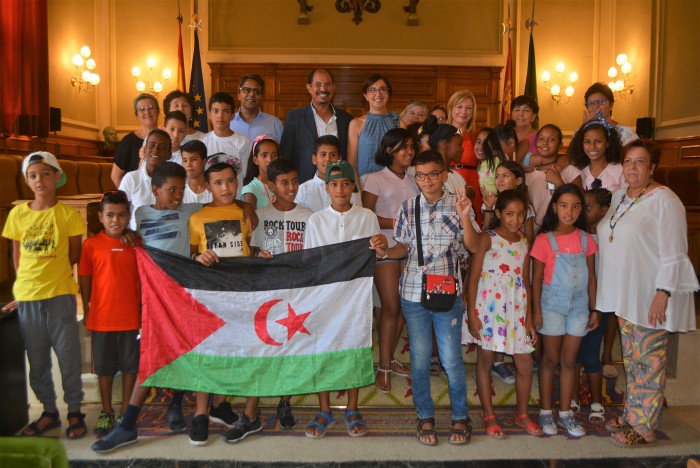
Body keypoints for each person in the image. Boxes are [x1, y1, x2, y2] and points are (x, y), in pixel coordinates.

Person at [91, 163, 209, 453]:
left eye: (181, 189)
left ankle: (174, 404)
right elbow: (124, 235)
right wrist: (130, 236)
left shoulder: (190, 210)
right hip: (153, 297)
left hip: (182, 294)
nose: (178, 195)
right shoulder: (141, 213)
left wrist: (246, 204)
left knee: (184, 352)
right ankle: (129, 423)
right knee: (152, 357)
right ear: (154, 190)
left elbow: (220, 205)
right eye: (171, 190)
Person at [373, 150, 479, 446]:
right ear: (414, 177)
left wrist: (467, 216)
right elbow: (402, 249)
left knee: (451, 359)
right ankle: (425, 415)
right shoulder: (407, 208)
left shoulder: (457, 205)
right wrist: (384, 251)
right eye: (421, 175)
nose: (428, 180)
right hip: (412, 291)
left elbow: (472, 246)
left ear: (444, 175)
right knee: (419, 359)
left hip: (447, 291)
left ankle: (461, 416)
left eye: (434, 174)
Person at [597, 139, 697, 447]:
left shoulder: (665, 200)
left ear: (652, 167)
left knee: (650, 361)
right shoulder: (618, 197)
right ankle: (633, 416)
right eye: (628, 161)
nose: (632, 168)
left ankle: (645, 428)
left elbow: (675, 251)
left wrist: (663, 292)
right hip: (625, 293)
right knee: (634, 359)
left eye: (640, 162)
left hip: (650, 295)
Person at [2, 151, 87, 439]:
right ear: (27, 180)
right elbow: (17, 257)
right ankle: (49, 411)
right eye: (33, 175)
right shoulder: (18, 214)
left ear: (57, 176)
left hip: (59, 295)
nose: (40, 179)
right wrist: (24, 288)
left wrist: (53, 277)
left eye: (45, 173)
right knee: (36, 358)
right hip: (28, 298)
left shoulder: (67, 215)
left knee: (68, 356)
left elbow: (74, 254)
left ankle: (74, 408)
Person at [303, 161, 387, 439]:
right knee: (323, 351)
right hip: (325, 298)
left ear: (353, 187)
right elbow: (310, 262)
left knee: (355, 349)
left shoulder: (367, 217)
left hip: (356, 299)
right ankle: (324, 408)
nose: (340, 190)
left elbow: (377, 254)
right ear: (327, 188)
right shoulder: (316, 220)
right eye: (334, 184)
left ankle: (352, 408)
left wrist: (381, 247)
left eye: (346, 184)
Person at [189, 154, 259, 445]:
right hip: (210, 293)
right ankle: (201, 412)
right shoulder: (197, 217)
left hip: (239, 291)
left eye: (230, 181)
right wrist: (197, 257)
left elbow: (245, 249)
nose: (226, 187)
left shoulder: (244, 214)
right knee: (208, 351)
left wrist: (258, 255)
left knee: (233, 349)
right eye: (218, 182)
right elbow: (191, 255)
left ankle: (221, 403)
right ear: (208, 185)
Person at [466, 190, 542, 438]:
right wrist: (472, 313)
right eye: (509, 213)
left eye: (520, 214)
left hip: (517, 310)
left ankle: (522, 414)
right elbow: (474, 278)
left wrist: (530, 319)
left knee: (525, 363)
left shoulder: (524, 242)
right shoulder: (487, 239)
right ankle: (488, 414)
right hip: (489, 310)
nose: (515, 219)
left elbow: (526, 282)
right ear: (498, 213)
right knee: (485, 361)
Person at [531, 184, 599, 437]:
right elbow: (536, 280)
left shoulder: (586, 239)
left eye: (575, 206)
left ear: (581, 210)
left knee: (570, 361)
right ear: (554, 207)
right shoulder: (543, 240)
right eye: (563, 206)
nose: (569, 212)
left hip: (579, 307)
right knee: (550, 360)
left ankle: (566, 413)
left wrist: (594, 309)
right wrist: (536, 311)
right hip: (551, 307)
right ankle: (546, 411)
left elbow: (592, 276)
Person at [250, 158, 313, 430]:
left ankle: (285, 400)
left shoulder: (309, 215)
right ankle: (254, 404)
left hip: (296, 290)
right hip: (267, 289)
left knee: (290, 344)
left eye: (295, 181)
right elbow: (250, 250)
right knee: (264, 343)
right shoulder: (260, 215)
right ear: (271, 185)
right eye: (285, 183)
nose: (292, 187)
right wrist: (257, 255)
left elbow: (315, 253)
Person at [361, 128, 420, 393]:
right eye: (403, 147)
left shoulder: (414, 180)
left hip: (410, 249)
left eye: (411, 147)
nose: (409, 151)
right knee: (391, 307)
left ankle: (389, 357)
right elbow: (365, 214)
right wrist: (398, 222)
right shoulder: (375, 178)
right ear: (389, 151)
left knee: (405, 310)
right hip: (384, 248)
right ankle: (383, 366)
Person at [79, 190, 141, 437]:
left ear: (129, 217)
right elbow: (85, 278)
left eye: (122, 215)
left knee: (130, 366)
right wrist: (86, 308)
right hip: (102, 319)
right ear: (101, 217)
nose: (116, 220)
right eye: (110, 215)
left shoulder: (136, 243)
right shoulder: (91, 245)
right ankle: (106, 411)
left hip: (130, 318)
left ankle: (127, 409)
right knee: (103, 369)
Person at [571, 187, 613, 422]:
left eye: (587, 207)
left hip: (598, 305)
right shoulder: (578, 236)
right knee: (574, 355)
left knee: (590, 356)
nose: (582, 212)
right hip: (577, 303)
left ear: (604, 210)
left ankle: (597, 402)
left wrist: (596, 307)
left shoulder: (608, 240)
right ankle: (574, 398)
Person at [280, 69, 354, 183]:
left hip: (339, 187)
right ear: (309, 88)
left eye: (327, 84)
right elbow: (286, 156)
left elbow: (350, 158)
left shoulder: (347, 119)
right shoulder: (295, 118)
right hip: (305, 187)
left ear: (333, 87)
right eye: (318, 84)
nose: (323, 89)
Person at [525, 124, 583, 229]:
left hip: (562, 230)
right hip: (536, 232)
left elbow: (578, 203)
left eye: (551, 139)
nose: (545, 143)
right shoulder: (529, 175)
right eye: (541, 139)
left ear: (560, 145)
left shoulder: (570, 171)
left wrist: (559, 183)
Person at [348, 74, 401, 184]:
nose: (378, 93)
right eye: (372, 90)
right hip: (365, 183)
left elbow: (403, 161)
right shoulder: (356, 124)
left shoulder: (399, 124)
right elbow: (351, 164)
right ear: (366, 95)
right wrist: (360, 193)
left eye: (382, 89)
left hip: (393, 183)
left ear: (388, 93)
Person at [201, 92, 252, 198]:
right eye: (216, 111)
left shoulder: (243, 142)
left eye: (225, 111)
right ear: (209, 114)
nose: (220, 116)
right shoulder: (202, 142)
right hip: (209, 200)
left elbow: (245, 175)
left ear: (232, 115)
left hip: (235, 199)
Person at [118, 129, 171, 229]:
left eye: (162, 147)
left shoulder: (174, 181)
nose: (155, 150)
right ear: (145, 150)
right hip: (137, 238)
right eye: (151, 145)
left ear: (169, 154)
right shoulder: (131, 179)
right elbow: (120, 211)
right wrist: (125, 232)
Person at [295, 135, 362, 212]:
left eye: (332, 155)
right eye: (323, 154)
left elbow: (358, 217)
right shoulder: (302, 191)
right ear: (314, 159)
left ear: (339, 159)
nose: (328, 159)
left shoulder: (349, 188)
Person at [111, 93, 160, 187]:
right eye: (142, 109)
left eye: (150, 107)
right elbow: (115, 176)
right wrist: (128, 197)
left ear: (158, 111)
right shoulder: (128, 141)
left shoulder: (167, 139)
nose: (147, 111)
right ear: (137, 115)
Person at [446, 90, 481, 221]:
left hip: (473, 184)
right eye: (459, 106)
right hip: (449, 184)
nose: (464, 111)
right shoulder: (442, 134)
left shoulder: (477, 136)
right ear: (451, 108)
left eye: (468, 108)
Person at [568, 119, 625, 191]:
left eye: (598, 141)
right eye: (587, 142)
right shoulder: (578, 170)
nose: (592, 147)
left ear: (607, 143)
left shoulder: (619, 170)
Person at [230, 74, 283, 142]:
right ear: (238, 95)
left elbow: (283, 151)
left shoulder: (274, 124)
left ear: (262, 97)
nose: (251, 94)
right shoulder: (229, 123)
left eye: (256, 91)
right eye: (247, 90)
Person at [427, 123, 468, 195]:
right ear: (445, 144)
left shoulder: (457, 176)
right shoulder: (432, 177)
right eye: (459, 144)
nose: (462, 149)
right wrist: (468, 194)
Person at [242, 135, 279, 208]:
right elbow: (249, 218)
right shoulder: (251, 189)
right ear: (255, 160)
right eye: (264, 155)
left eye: (274, 155)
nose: (270, 160)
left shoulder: (282, 184)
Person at [181, 140, 212, 204]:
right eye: (185, 160)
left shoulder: (214, 190)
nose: (188, 165)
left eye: (193, 159)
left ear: (204, 161)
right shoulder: (179, 192)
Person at [510, 95, 540, 160]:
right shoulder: (504, 134)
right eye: (517, 110)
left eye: (526, 110)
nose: (521, 114)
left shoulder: (540, 137)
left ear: (534, 116)